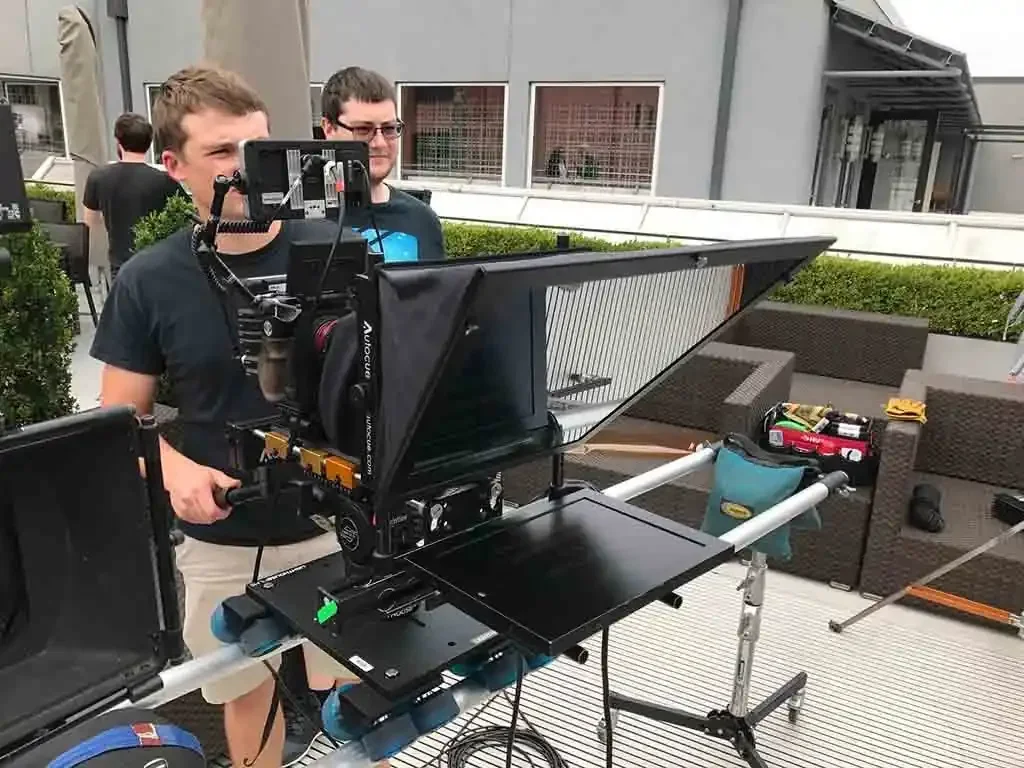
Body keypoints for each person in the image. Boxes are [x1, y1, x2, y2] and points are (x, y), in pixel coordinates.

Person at [89, 66, 373, 768]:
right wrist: (173, 471)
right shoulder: (149, 280)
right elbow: (117, 419)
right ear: (173, 166)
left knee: (363, 696)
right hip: (225, 536)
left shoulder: (337, 248)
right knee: (248, 698)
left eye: (257, 147)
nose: (245, 170)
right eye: (221, 152)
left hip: (338, 524)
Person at [320, 66, 445, 263]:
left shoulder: (423, 219)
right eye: (363, 129)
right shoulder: (294, 220)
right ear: (328, 128)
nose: (379, 143)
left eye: (389, 128)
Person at [82, 112, 184, 278]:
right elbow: (185, 220)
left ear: (118, 142)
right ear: (149, 143)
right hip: (158, 265)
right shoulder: (165, 181)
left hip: (120, 267)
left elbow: (90, 222)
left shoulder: (98, 177)